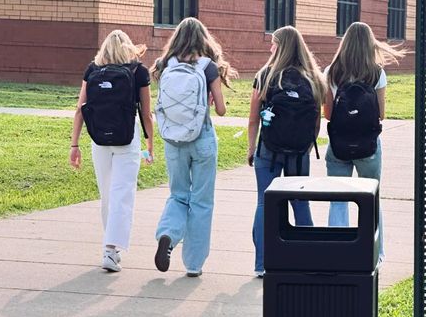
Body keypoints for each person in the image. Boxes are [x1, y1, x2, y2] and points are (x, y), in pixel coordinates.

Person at [151, 17, 237, 277]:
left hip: (174, 141)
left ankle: (167, 233)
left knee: (177, 195)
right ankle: (193, 264)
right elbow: (221, 110)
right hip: (201, 140)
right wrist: (210, 101)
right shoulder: (208, 66)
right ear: (203, 39)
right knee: (201, 202)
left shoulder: (165, 64)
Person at [70, 29, 154, 272]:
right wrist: (149, 144)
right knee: (122, 193)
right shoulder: (138, 71)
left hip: (99, 140)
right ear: (128, 47)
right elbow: (146, 113)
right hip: (127, 139)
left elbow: (80, 109)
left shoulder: (92, 70)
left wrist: (74, 145)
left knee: (107, 194)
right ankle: (110, 249)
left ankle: (110, 249)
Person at [247, 25, 326, 278]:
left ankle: (261, 264)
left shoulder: (266, 75)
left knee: (264, 202)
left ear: (280, 46)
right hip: (299, 152)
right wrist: (303, 144)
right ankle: (311, 260)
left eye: (273, 43)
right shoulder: (313, 77)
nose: (270, 47)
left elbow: (253, 118)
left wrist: (251, 148)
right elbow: (316, 122)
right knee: (300, 204)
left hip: (268, 149)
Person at [324, 22, 405, 262]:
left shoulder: (332, 71)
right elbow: (381, 113)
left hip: (338, 145)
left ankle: (337, 252)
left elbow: (328, 114)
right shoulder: (376, 72)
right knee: (371, 196)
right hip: (368, 145)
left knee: (337, 198)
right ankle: (375, 251)